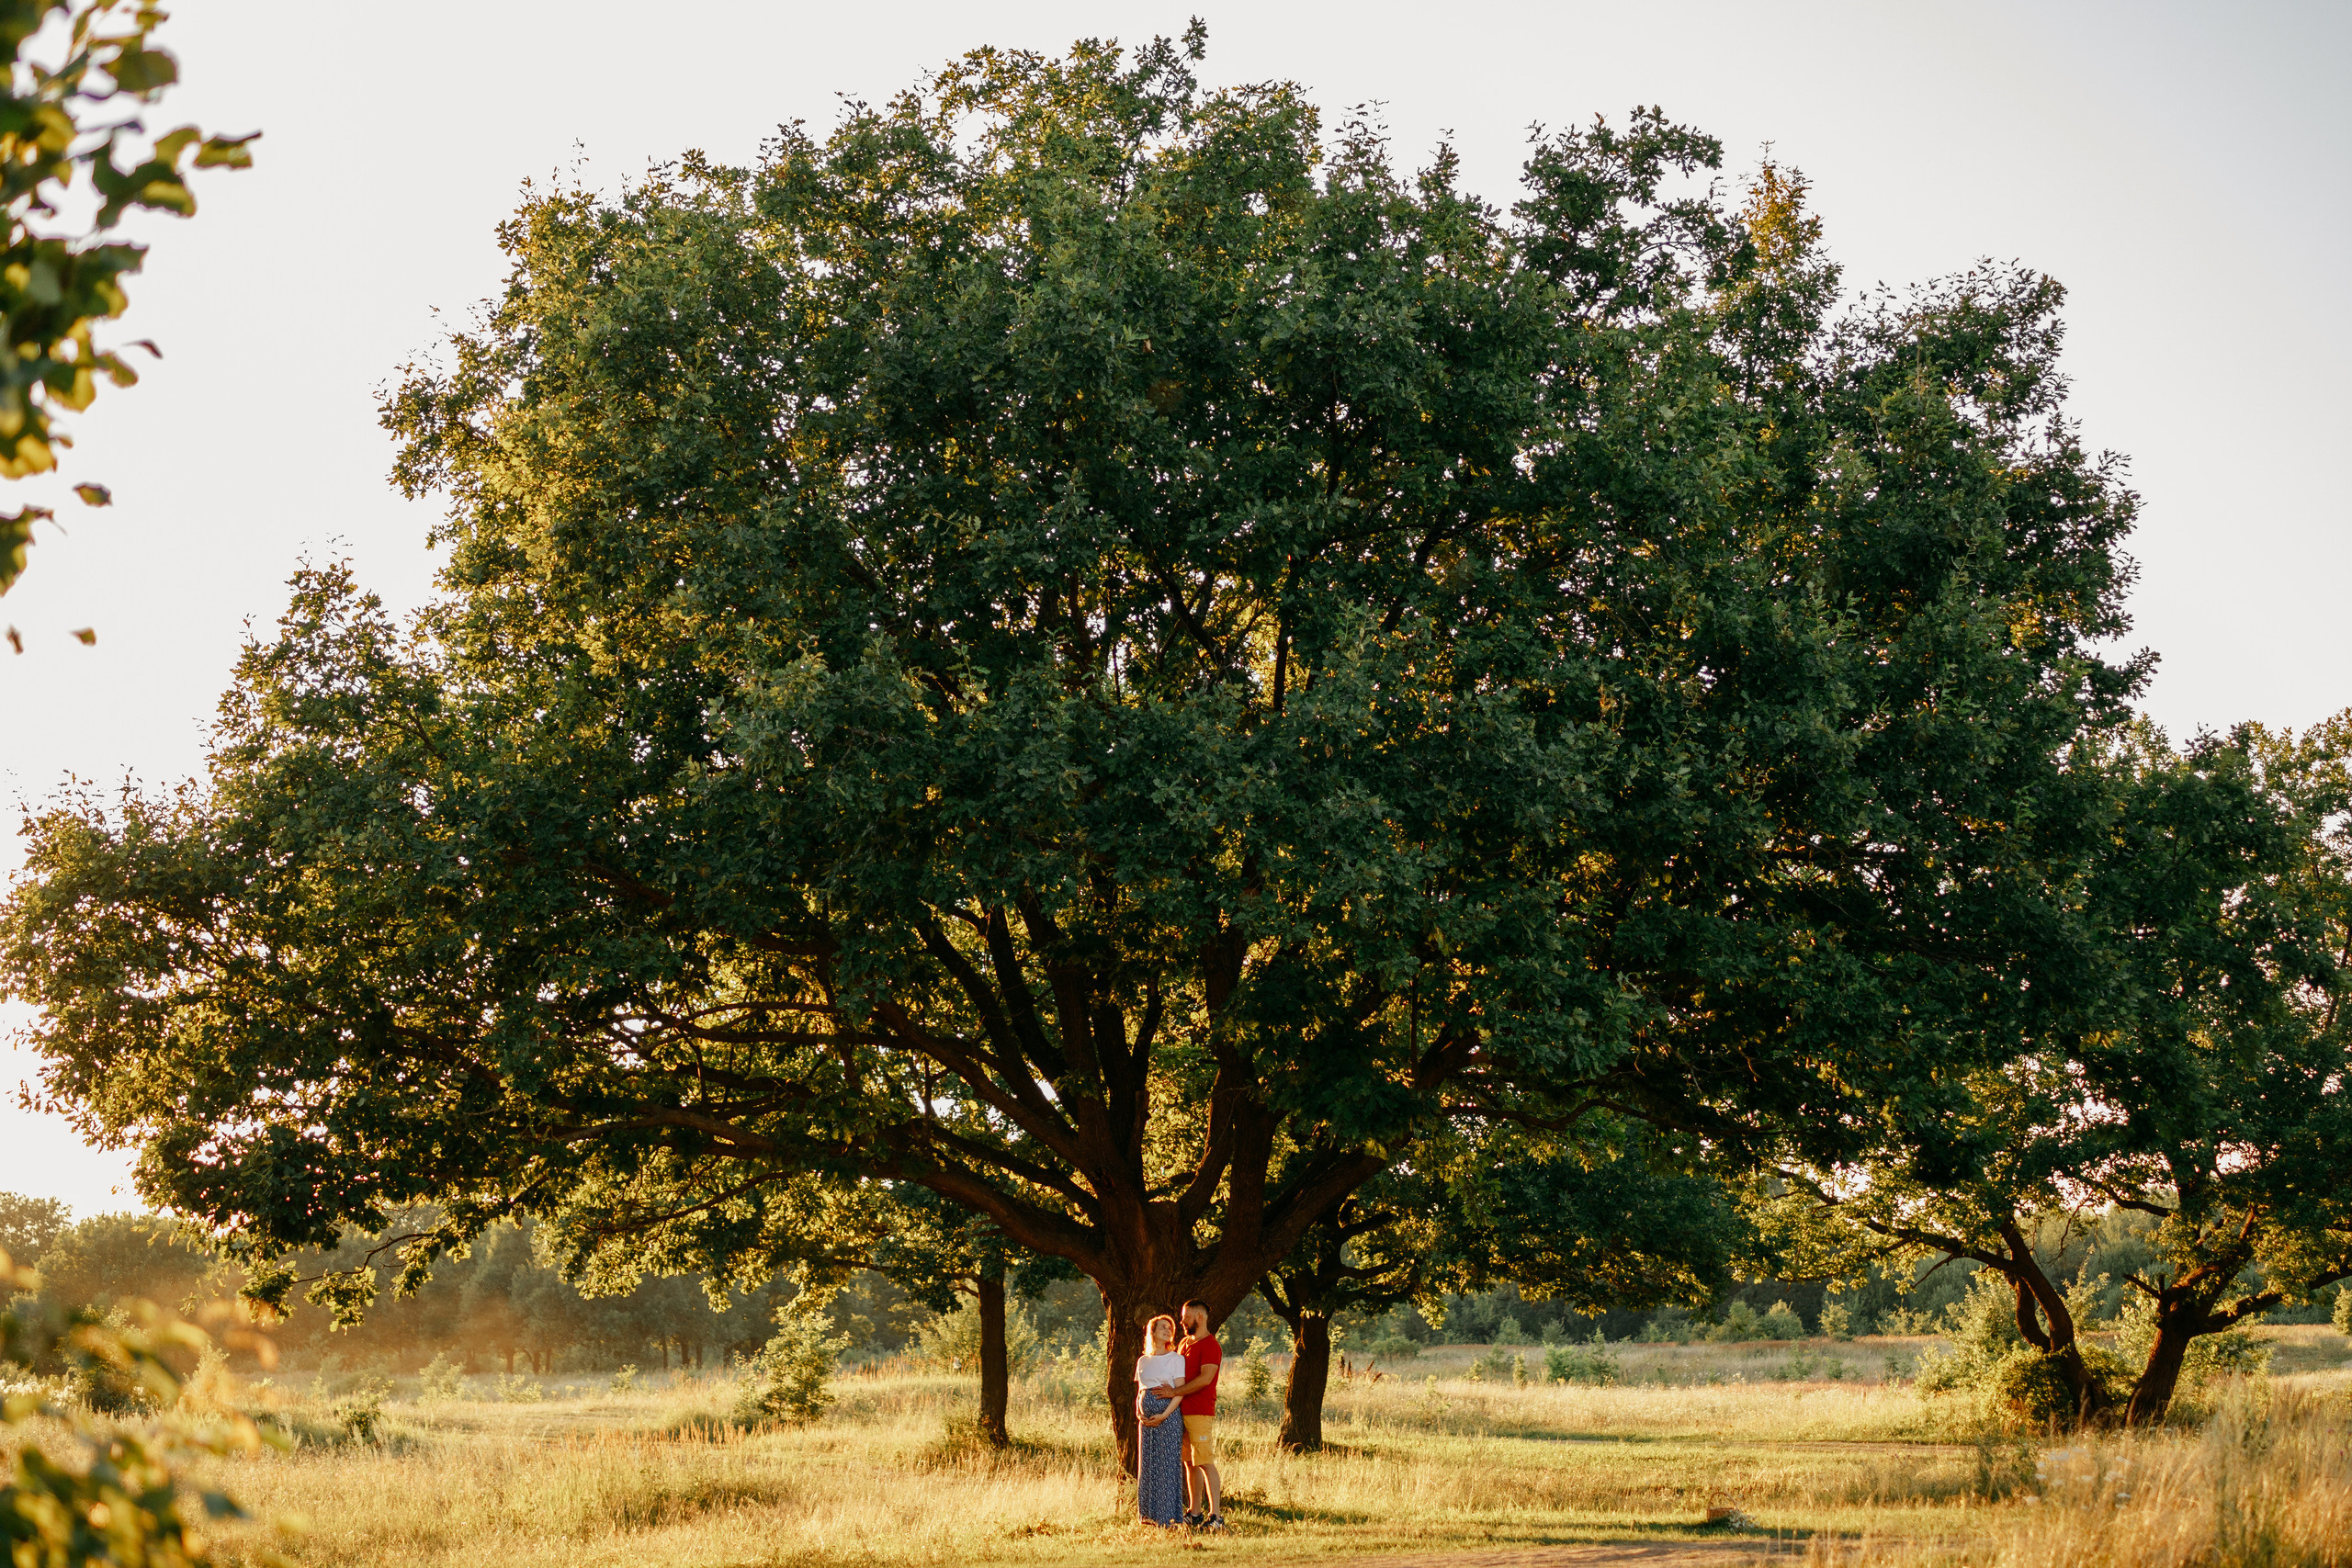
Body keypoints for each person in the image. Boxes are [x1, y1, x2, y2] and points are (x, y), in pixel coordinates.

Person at [1150, 1299, 1225, 1530]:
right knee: (1190, 1463)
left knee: (1205, 1462)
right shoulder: (1184, 1343)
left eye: (1186, 1317)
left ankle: (1216, 1517)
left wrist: (1174, 1392)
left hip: (1199, 1412)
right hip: (1180, 1411)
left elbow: (1205, 1379)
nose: (1182, 1321)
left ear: (1199, 1317)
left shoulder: (1211, 1345)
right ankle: (1195, 1513)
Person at [1133, 1314, 1188, 1527]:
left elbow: (1179, 1392)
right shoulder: (1143, 1361)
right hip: (1146, 1421)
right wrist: (1139, 1412)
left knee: (1167, 1465)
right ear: (1152, 1332)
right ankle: (1148, 1515)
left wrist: (1164, 1415)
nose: (1167, 1330)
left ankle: (1167, 1517)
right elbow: (1141, 1390)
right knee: (1148, 1465)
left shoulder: (1176, 1359)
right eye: (1162, 1327)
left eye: (1170, 1328)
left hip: (1169, 1418)